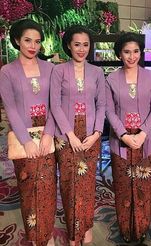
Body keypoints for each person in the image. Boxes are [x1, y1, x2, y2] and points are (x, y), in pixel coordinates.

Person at [0, 19, 56, 246]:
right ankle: (35, 238)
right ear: (16, 41)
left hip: (48, 138)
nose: (33, 46)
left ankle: (48, 236)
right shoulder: (7, 71)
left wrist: (49, 134)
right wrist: (26, 141)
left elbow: (56, 104)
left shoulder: (51, 68)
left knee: (49, 189)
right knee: (29, 189)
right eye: (27, 40)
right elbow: (10, 108)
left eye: (37, 41)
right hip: (23, 140)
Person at [50, 25, 105, 246]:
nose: (81, 49)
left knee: (88, 184)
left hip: (90, 135)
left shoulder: (97, 72)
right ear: (68, 46)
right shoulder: (59, 70)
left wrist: (97, 133)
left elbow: (101, 105)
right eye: (76, 44)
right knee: (69, 184)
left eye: (85, 44)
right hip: (66, 136)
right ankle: (74, 233)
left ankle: (88, 229)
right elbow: (54, 104)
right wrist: (69, 134)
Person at [105, 32, 151, 243]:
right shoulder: (111, 78)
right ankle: (126, 230)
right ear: (119, 54)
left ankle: (142, 228)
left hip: (147, 142)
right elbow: (109, 110)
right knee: (123, 187)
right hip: (121, 142)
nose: (132, 56)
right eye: (126, 52)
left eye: (136, 51)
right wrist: (124, 135)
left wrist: (144, 132)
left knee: (144, 186)